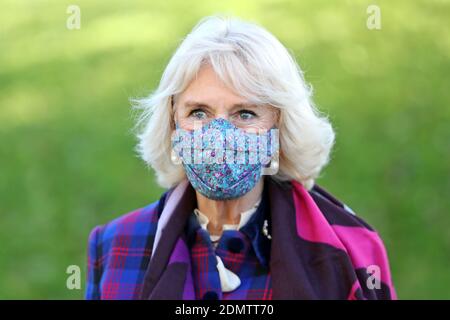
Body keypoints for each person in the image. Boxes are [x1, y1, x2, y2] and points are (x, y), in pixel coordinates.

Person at [86, 15, 396, 300]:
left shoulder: (352, 249)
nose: (219, 134)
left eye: (245, 113)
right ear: (172, 126)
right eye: (199, 112)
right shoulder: (115, 245)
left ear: (278, 128)